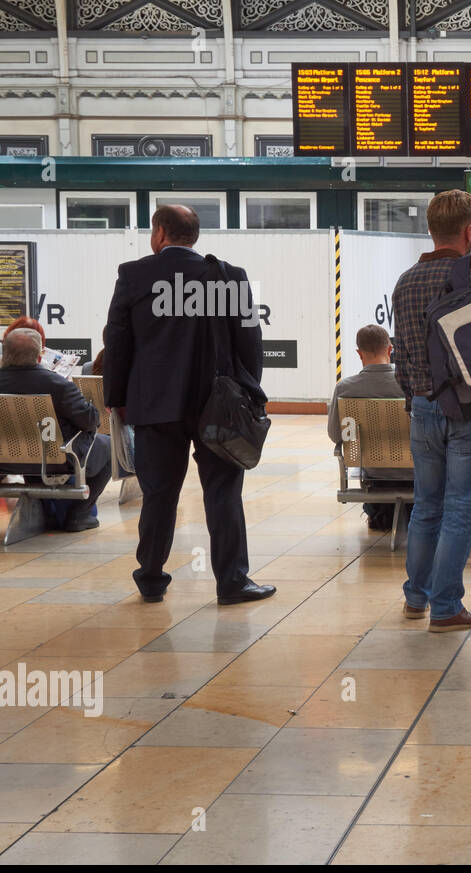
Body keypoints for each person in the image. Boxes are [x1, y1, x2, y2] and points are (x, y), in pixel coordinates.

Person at [103, 205, 274, 605]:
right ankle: (232, 582)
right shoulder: (228, 276)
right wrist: (247, 395)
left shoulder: (134, 275)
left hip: (155, 405)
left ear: (160, 233)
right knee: (223, 493)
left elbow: (118, 344)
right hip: (219, 408)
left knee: (159, 493)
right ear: (193, 236)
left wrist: (117, 400)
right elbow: (251, 344)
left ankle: (150, 577)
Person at [391, 189, 471, 633]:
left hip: (421, 406)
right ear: (469, 230)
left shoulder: (405, 281)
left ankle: (417, 596)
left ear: (431, 229)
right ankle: (447, 606)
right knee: (460, 509)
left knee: (426, 507)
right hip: (470, 410)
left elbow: (401, 352)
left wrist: (416, 395)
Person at [0, 328, 112, 531]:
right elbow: (89, 421)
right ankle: (79, 514)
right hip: (55, 460)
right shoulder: (57, 385)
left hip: (4, 462)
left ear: (4, 351)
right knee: (109, 446)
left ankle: (46, 511)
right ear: (39, 354)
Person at [327, 324, 411, 532]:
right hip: (415, 470)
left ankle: (379, 514)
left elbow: (335, 434)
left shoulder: (345, 388)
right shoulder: (410, 384)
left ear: (359, 353)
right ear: (390, 350)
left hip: (375, 472)